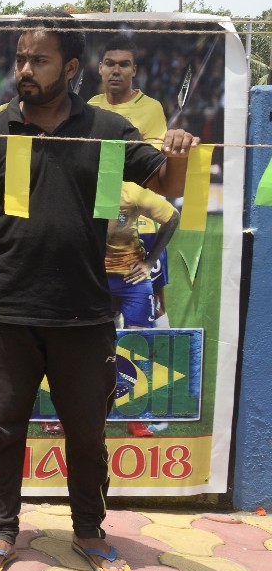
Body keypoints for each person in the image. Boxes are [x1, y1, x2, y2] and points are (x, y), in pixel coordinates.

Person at [0, 12, 196, 571]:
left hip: (84, 312)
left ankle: (89, 532)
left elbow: (169, 186)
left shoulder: (105, 129)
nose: (25, 69)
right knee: (5, 428)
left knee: (87, 433)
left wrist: (177, 149)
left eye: (39, 60)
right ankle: (1, 530)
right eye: (21, 58)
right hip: (6, 310)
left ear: (71, 68)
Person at [87, 35, 173, 330]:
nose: (116, 70)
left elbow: (146, 164)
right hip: (100, 223)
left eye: (124, 64)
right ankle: (109, 371)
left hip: (143, 225)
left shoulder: (151, 108)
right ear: (100, 68)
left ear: (134, 70)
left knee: (156, 304)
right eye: (110, 63)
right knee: (102, 309)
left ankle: (157, 367)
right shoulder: (91, 106)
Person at [106, 181, 179, 437]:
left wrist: (149, 262)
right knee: (91, 341)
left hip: (139, 250)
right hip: (97, 274)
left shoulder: (131, 188)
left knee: (143, 331)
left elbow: (171, 211)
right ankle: (102, 406)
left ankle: (144, 408)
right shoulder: (78, 182)